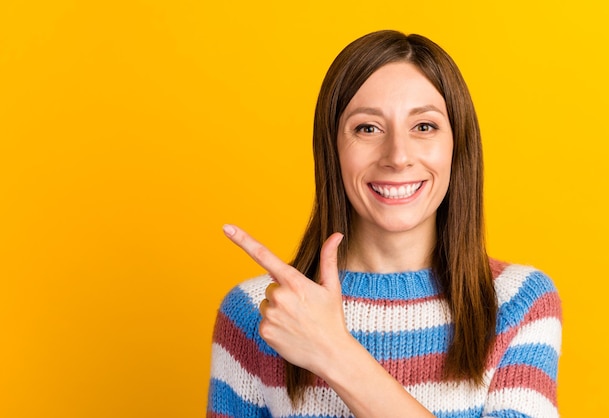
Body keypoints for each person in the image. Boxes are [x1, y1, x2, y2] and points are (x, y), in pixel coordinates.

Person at [207, 30, 562, 418]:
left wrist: (335, 354)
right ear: (332, 150)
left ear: (457, 145)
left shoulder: (518, 302)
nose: (397, 156)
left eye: (424, 127)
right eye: (367, 128)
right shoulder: (261, 313)